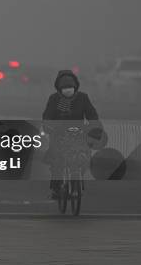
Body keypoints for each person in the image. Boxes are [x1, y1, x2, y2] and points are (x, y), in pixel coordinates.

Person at [42, 69, 102, 199]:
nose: (67, 90)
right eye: (64, 87)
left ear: (75, 86)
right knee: (56, 160)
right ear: (59, 88)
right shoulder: (54, 99)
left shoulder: (83, 98)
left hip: (79, 134)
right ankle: (56, 188)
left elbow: (92, 116)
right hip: (58, 135)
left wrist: (95, 129)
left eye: (70, 87)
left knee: (84, 156)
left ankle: (78, 179)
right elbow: (47, 117)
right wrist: (48, 127)